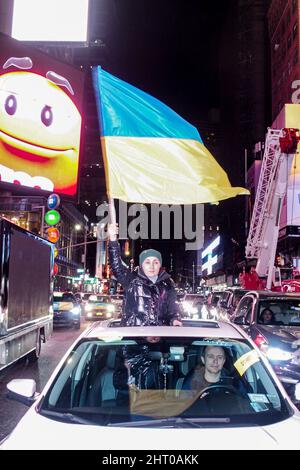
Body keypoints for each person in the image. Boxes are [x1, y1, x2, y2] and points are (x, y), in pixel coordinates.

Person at [108, 223, 182, 326]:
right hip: (134, 335)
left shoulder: (168, 284)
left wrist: (174, 320)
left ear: (160, 265)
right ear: (141, 265)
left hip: (159, 335)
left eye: (155, 262)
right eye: (147, 262)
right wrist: (112, 239)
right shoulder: (131, 280)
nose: (151, 266)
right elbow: (116, 266)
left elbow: (172, 311)